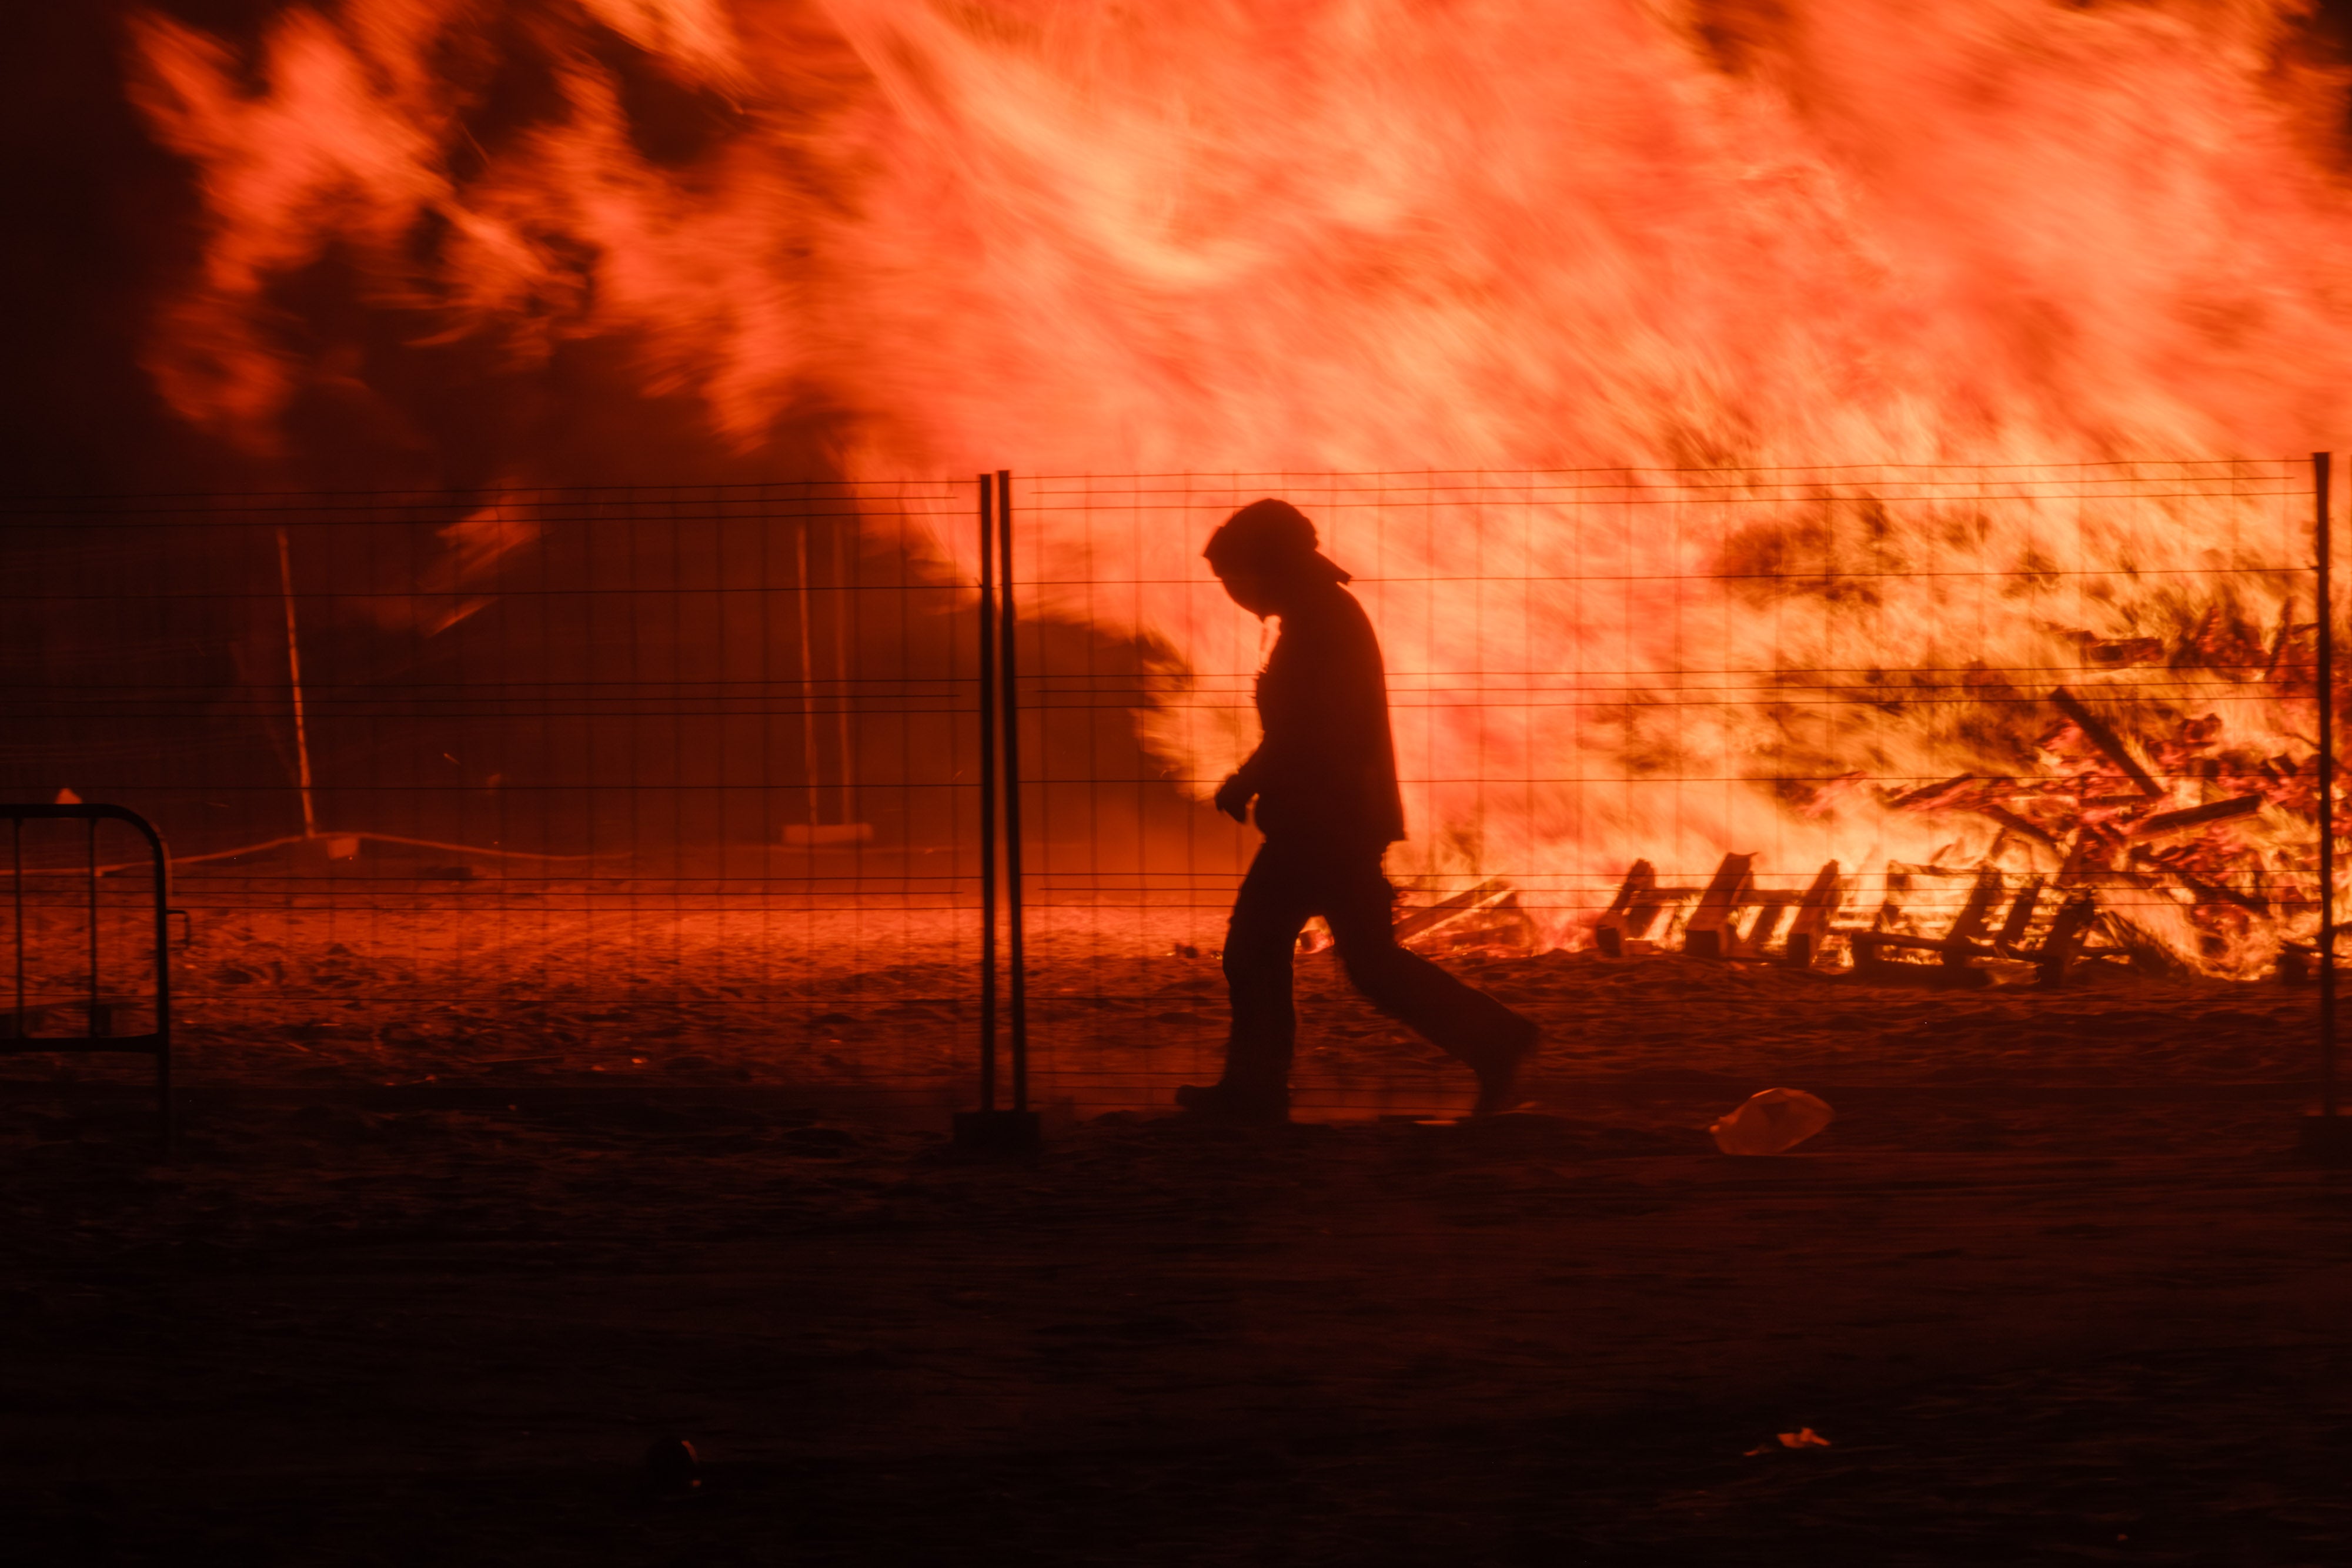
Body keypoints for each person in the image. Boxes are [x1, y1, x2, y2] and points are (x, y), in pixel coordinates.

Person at [1178, 499, 1539, 1125]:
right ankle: (1494, 1040)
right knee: (1366, 964)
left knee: (1256, 951)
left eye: (1235, 578)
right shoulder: (1315, 618)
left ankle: (1255, 1091)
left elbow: (1306, 732)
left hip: (1323, 822)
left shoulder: (1318, 626)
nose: (1232, 593)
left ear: (1270, 567)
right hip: (1330, 817)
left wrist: (1245, 782)